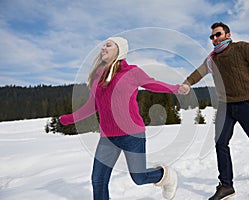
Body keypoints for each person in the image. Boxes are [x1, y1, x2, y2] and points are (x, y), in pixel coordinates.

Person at [60, 37, 187, 200]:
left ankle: (166, 176)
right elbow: (93, 105)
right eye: (103, 45)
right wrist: (69, 119)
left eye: (108, 45)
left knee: (139, 178)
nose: (103, 48)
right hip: (107, 137)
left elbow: (152, 84)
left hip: (132, 135)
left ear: (119, 50)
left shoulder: (132, 72)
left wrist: (176, 88)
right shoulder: (98, 75)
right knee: (98, 180)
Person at [180, 22, 249, 200]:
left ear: (227, 35)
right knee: (221, 143)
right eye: (212, 37)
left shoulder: (243, 48)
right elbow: (199, 72)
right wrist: (187, 83)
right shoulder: (212, 59)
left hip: (247, 104)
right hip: (225, 106)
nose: (214, 39)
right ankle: (226, 185)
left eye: (217, 34)